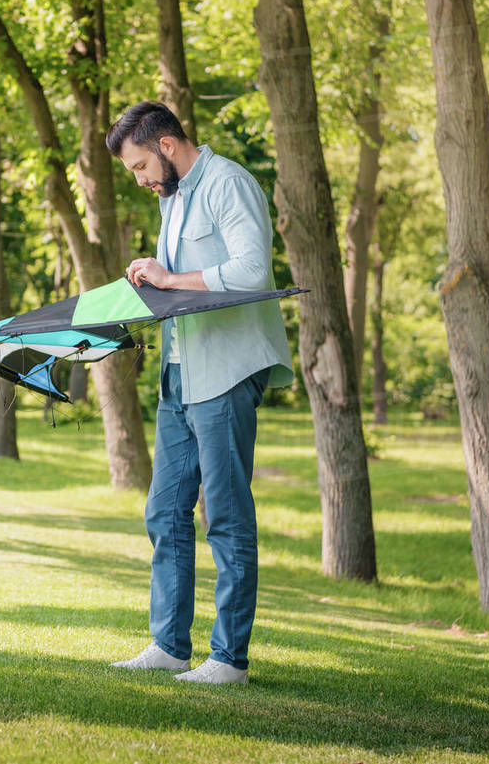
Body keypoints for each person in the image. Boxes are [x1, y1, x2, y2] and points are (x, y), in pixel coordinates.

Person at [105, 102, 294, 684]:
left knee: (227, 517)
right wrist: (151, 270)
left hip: (227, 370)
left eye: (139, 167)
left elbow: (251, 271)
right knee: (164, 511)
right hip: (180, 372)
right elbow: (177, 279)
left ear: (165, 146)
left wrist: (167, 277)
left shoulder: (228, 183)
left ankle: (229, 660)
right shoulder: (176, 198)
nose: (139, 181)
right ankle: (169, 646)